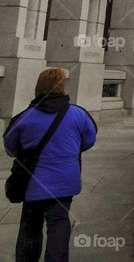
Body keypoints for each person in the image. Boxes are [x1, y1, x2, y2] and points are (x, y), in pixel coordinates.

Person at [3, 68, 97, 262]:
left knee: (30, 226)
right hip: (65, 183)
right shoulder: (78, 114)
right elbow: (89, 140)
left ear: (38, 87)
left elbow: (10, 147)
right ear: (63, 88)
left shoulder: (24, 117)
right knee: (59, 224)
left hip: (33, 183)